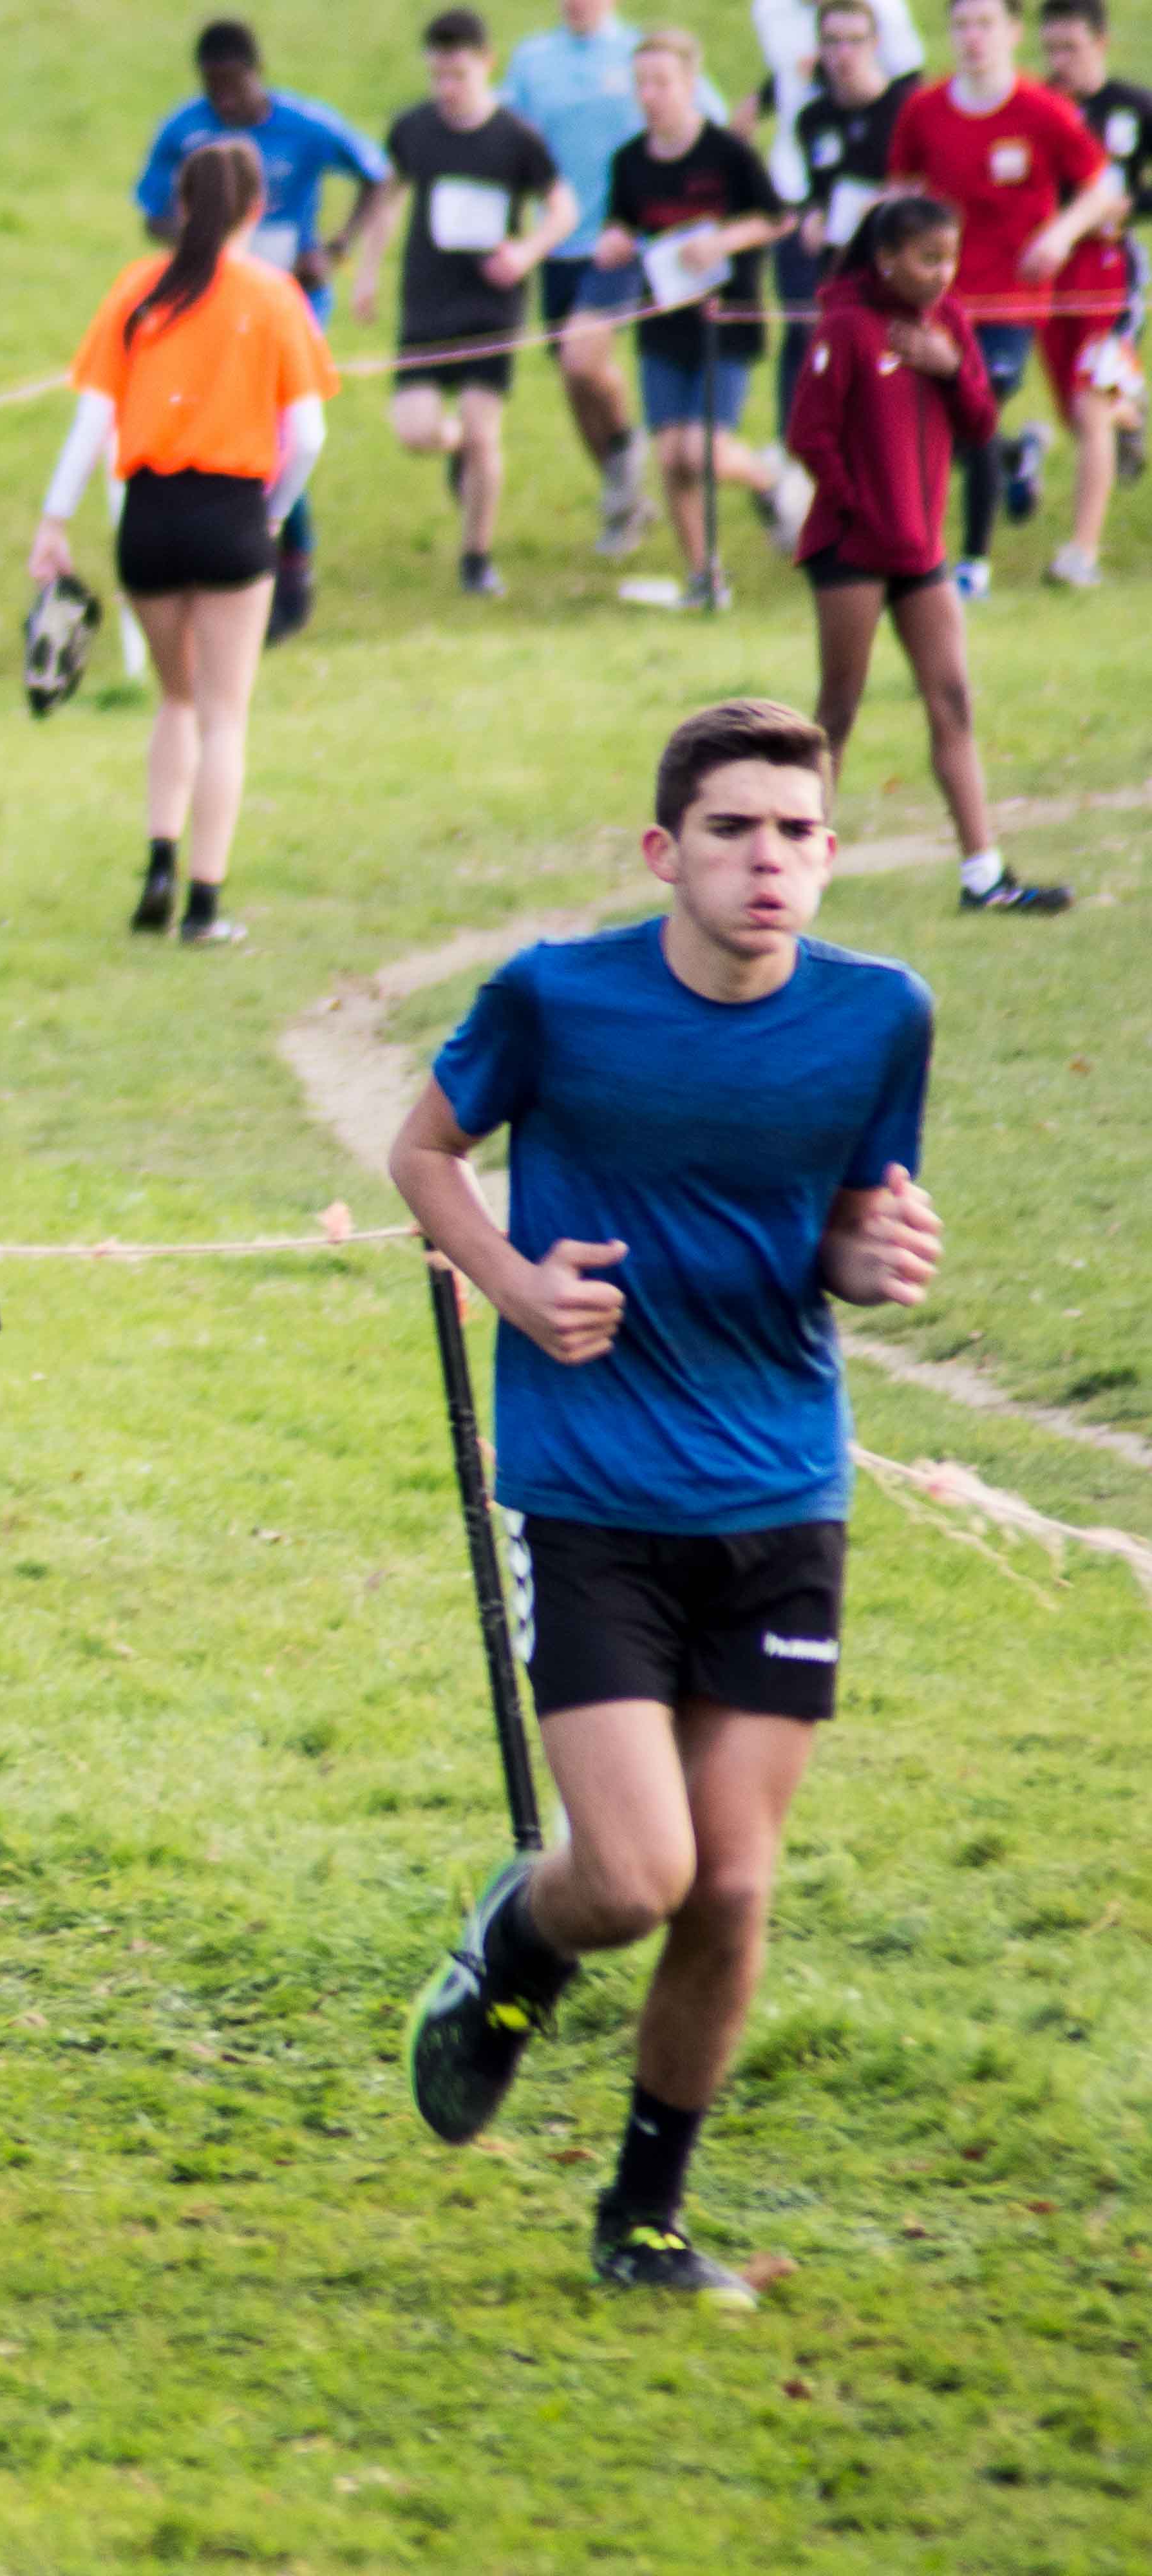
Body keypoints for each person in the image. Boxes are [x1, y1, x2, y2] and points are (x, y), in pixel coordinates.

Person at [392, 698, 945, 2308]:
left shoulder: (880, 1018)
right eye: (731, 830)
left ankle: (643, 2214)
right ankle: (519, 1940)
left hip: (781, 1487)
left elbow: (842, 1228)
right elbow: (425, 1150)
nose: (766, 859)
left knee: (735, 1883)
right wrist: (512, 1281)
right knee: (631, 1876)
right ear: (665, 852)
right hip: (590, 1488)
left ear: (831, 854)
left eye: (795, 831)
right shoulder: (556, 999)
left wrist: (871, 1262)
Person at [26, 142, 335, 948]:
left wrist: (53, 522)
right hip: (233, 511)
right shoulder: (273, 297)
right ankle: (204, 902)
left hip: (150, 519)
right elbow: (307, 435)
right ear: (257, 208)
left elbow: (93, 419)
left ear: (182, 203)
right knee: (225, 716)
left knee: (176, 699)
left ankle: (157, 862)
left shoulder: (137, 289)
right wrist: (273, 512)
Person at [789, 194, 1073, 906]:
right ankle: (797, 871)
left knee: (953, 701)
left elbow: (980, 427)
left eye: (950, 257)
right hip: (853, 549)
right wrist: (856, 503)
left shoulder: (949, 324)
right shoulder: (848, 327)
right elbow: (809, 433)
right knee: (839, 711)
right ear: (887, 260)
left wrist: (952, 367)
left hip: (920, 551)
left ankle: (984, 875)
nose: (942, 273)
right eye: (927, 258)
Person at [134, 21, 397, 640]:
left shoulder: (304, 124)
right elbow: (152, 215)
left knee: (281, 430)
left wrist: (335, 249)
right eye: (212, 90)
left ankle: (288, 561)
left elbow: (378, 175)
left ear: (256, 73)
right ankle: (253, 559)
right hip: (212, 300)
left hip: (293, 300)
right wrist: (200, 240)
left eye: (233, 87)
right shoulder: (185, 131)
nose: (223, 103)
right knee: (232, 430)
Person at [894, 0, 1123, 593]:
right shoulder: (924, 110)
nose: (973, 38)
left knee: (979, 397)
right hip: (942, 297)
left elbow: (1102, 188)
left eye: (986, 25)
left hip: (1015, 297)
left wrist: (1058, 234)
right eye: (963, 26)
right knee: (941, 416)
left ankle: (971, 563)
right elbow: (900, 194)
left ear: (1012, 33)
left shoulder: (1042, 111)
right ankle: (1014, 458)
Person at [352, 12, 576, 597]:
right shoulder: (414, 130)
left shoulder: (517, 139)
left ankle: (476, 556)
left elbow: (564, 211)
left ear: (486, 63)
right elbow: (387, 199)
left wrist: (525, 254)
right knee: (415, 429)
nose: (446, 89)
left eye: (457, 75)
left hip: (490, 305)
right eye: (436, 76)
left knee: (485, 432)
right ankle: (459, 453)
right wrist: (367, 276)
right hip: (427, 302)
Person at [511, 0, 733, 552]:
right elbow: (509, 138)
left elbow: (710, 126)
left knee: (582, 358)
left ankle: (627, 462)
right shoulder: (533, 60)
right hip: (561, 240)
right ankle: (622, 481)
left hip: (625, 240)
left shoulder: (641, 55)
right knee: (575, 377)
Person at [596, 28, 801, 608]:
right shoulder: (630, 160)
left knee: (700, 449)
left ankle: (771, 478)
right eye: (642, 83)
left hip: (725, 321)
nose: (651, 94)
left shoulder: (727, 153)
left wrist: (722, 242)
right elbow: (623, 223)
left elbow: (775, 218)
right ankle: (702, 576)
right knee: (670, 456)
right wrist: (614, 240)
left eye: (662, 81)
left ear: (690, 83)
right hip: (663, 318)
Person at [751, 0, 931, 434]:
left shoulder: (905, 110)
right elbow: (818, 187)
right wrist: (814, 214)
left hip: (892, 255)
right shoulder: (813, 119)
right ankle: (796, 444)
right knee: (804, 330)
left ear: (877, 44)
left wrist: (887, 204)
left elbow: (925, 185)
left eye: (854, 42)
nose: (843, 54)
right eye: (832, 43)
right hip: (834, 250)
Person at [1032, 0, 1146, 580]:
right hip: (1050, 275)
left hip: (1112, 272)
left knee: (1088, 405)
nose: (1060, 61)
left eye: (1071, 48)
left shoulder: (1132, 106)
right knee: (1077, 414)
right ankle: (1133, 415)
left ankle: (1081, 552)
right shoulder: (1040, 107)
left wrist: (1133, 204)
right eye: (1050, 49)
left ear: (1100, 43)